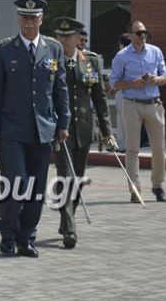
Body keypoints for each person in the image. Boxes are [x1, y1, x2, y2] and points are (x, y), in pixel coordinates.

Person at [0, 0, 70, 258]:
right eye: (25, 18)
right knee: (17, 182)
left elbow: (60, 89)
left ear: (41, 20)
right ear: (19, 20)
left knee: (36, 188)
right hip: (11, 130)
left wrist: (63, 123)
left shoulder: (53, 49)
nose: (30, 22)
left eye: (34, 18)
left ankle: (27, 238)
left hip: (42, 130)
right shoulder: (4, 50)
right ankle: (8, 236)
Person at [52, 17, 114, 249]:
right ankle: (70, 227)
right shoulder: (51, 61)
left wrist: (106, 130)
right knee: (64, 175)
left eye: (67, 36)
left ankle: (65, 215)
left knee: (77, 178)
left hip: (84, 129)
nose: (63, 40)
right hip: (61, 129)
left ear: (79, 38)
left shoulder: (91, 61)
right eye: (60, 36)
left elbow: (99, 97)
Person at [110, 20, 166, 202]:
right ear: (129, 35)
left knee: (159, 148)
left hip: (154, 103)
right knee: (132, 149)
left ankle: (158, 186)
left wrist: (156, 79)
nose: (142, 36)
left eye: (145, 33)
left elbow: (165, 76)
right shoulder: (121, 56)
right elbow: (114, 83)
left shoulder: (155, 51)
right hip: (132, 103)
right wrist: (131, 83)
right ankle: (135, 190)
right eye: (138, 33)